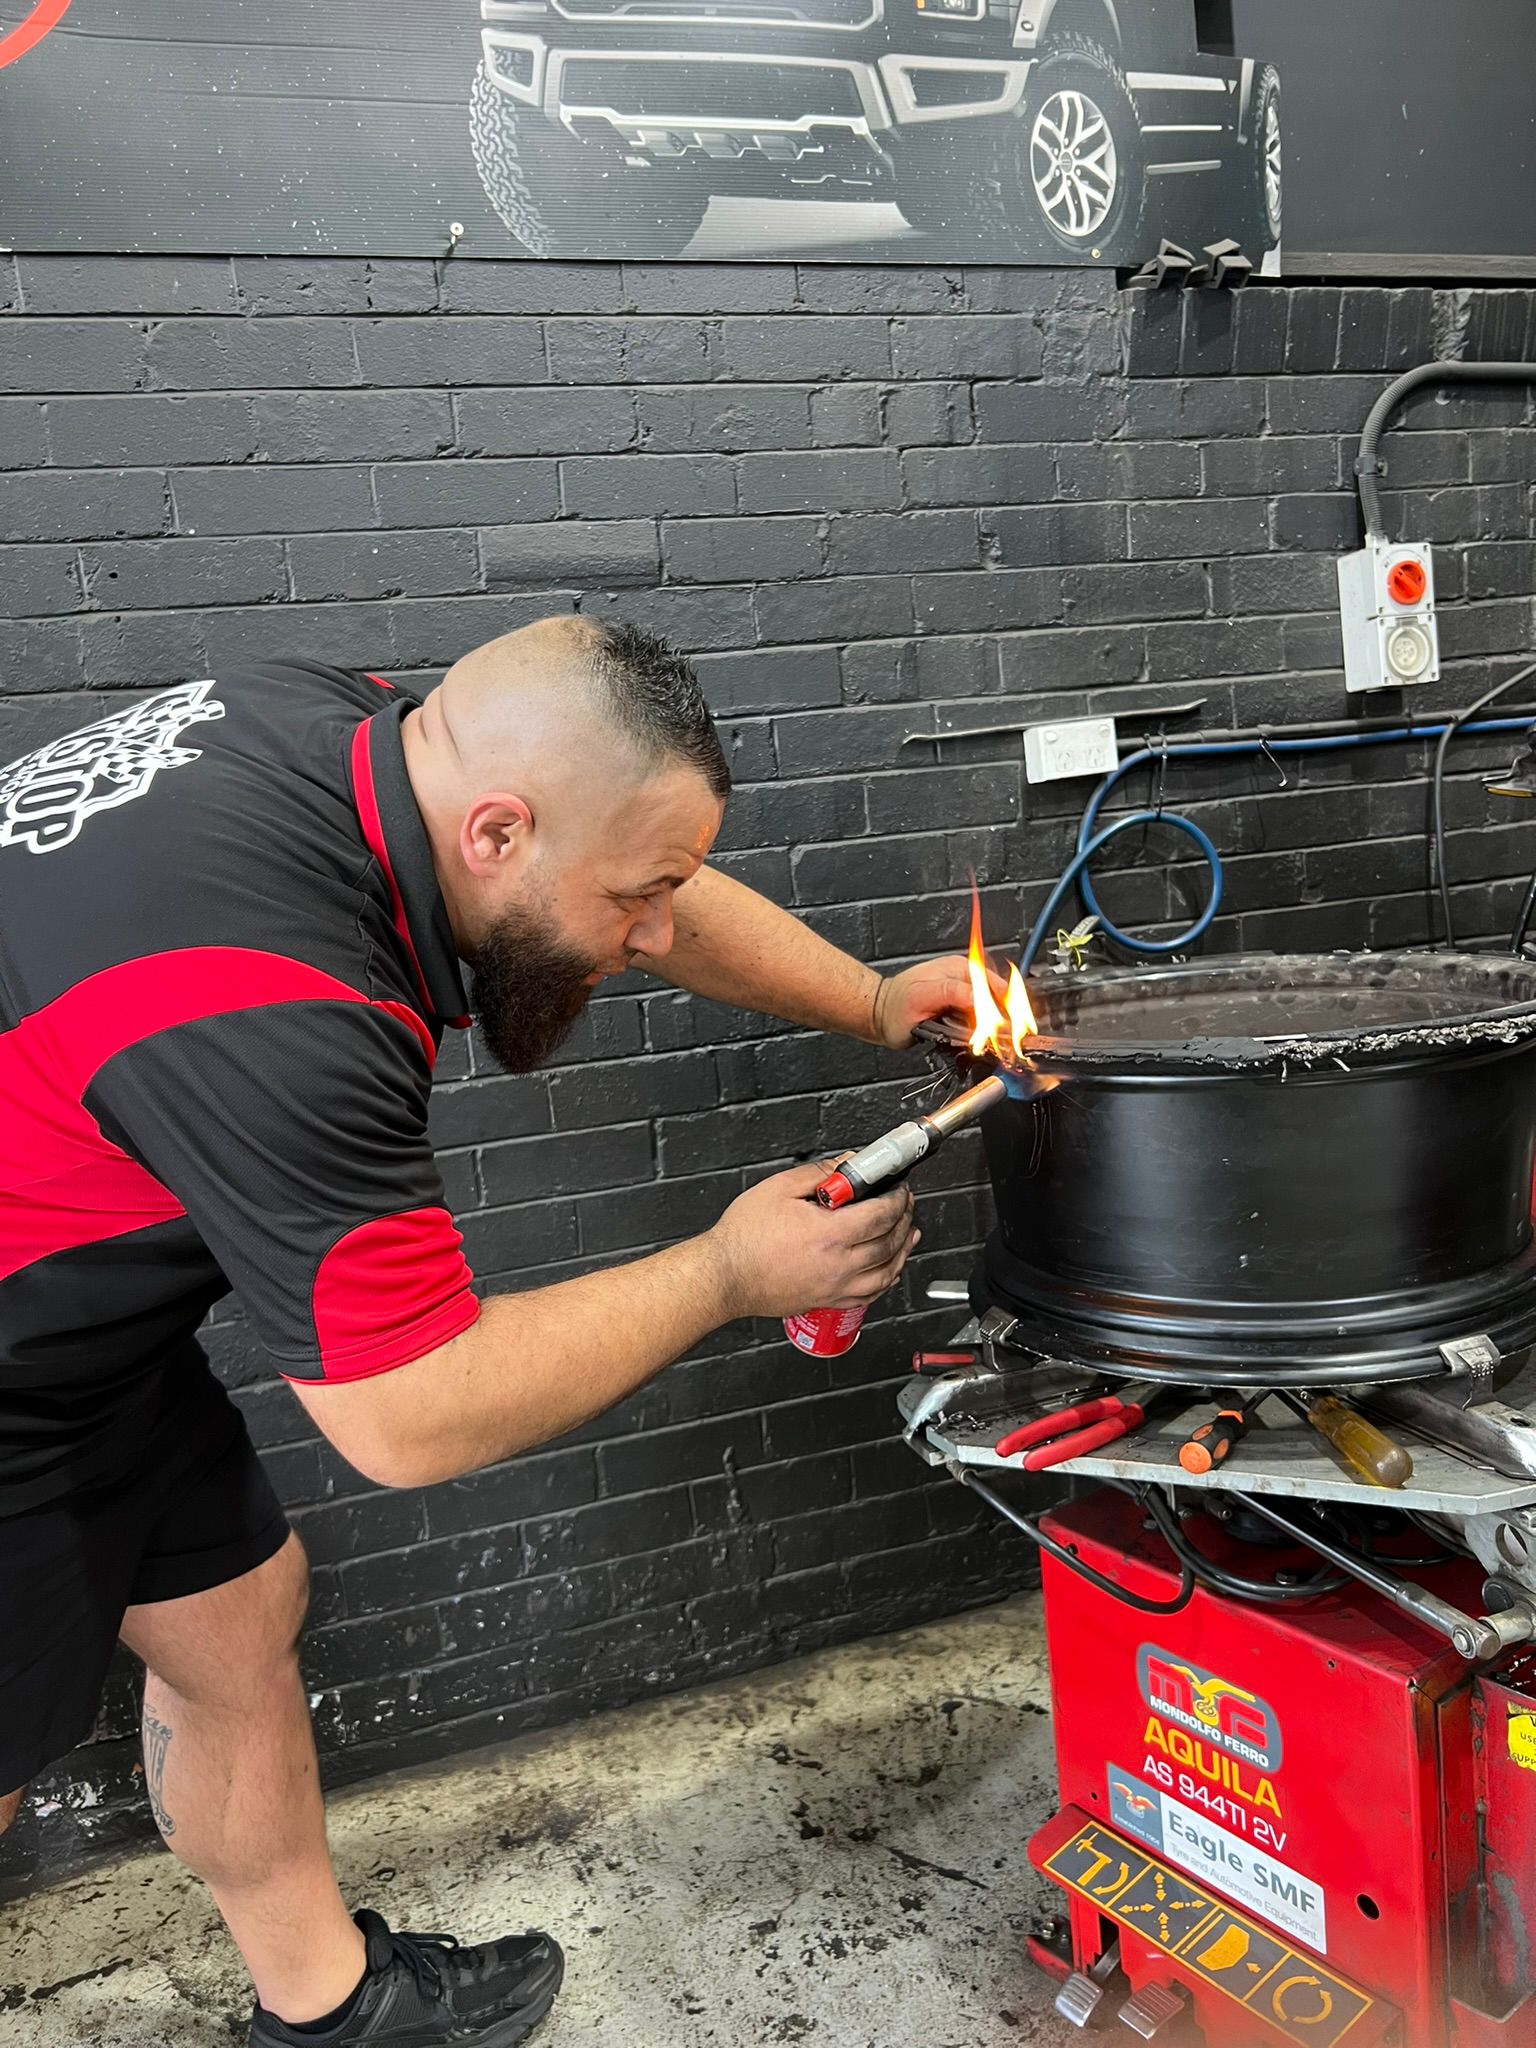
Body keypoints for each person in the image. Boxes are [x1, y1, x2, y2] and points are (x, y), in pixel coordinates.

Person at [0, 616, 979, 2048]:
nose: (649, 934)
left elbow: (648, 879)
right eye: (631, 898)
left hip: (77, 1306)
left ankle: (330, 2016)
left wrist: (879, 1002)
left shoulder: (374, 737)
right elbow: (408, 1413)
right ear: (499, 835)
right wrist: (728, 1269)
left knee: (235, 1618)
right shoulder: (279, 1001)